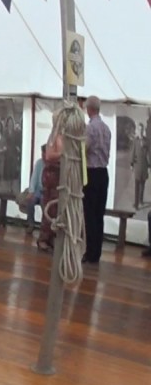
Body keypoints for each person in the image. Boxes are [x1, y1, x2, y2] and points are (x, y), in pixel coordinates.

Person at [82, 96, 112, 264]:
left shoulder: (90, 129)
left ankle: (90, 253)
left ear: (89, 109)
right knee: (99, 215)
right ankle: (96, 253)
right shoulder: (107, 129)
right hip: (103, 174)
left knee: (90, 214)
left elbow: (84, 149)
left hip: (91, 174)